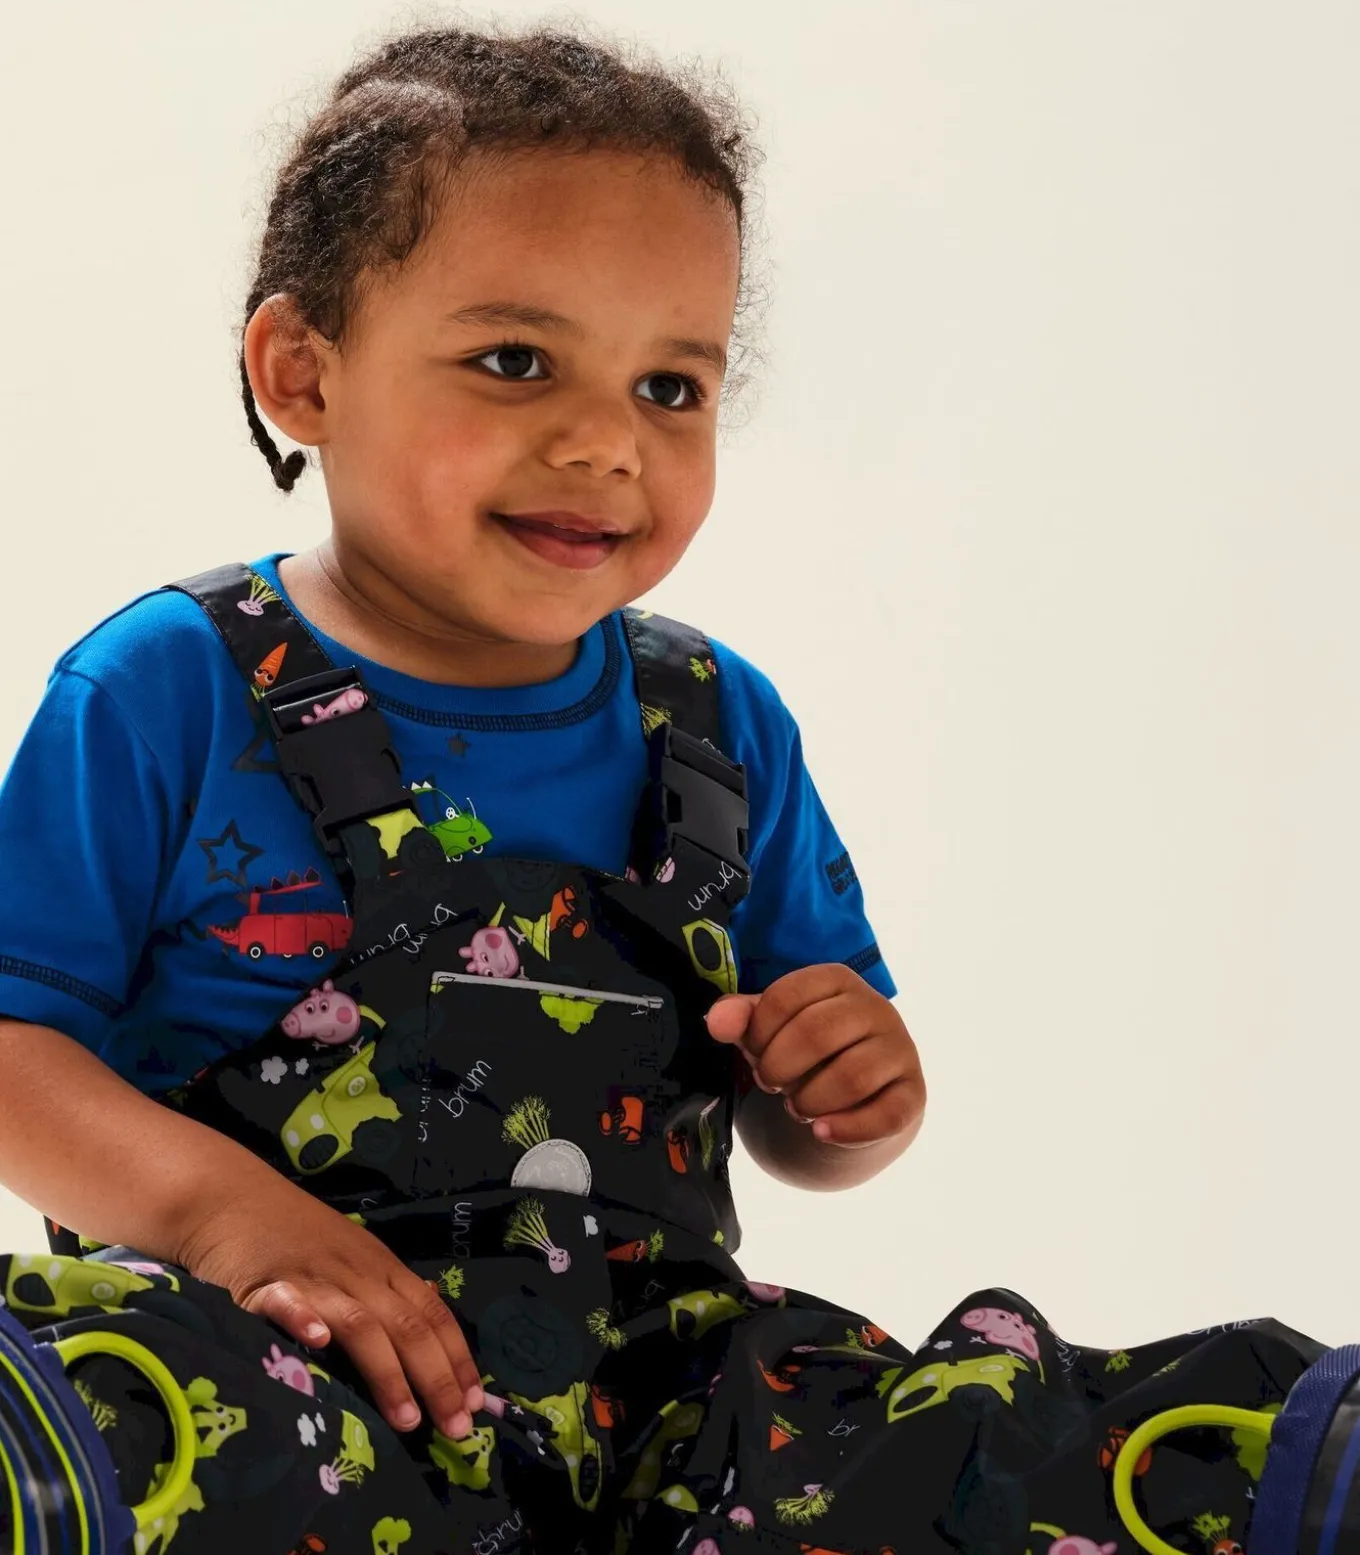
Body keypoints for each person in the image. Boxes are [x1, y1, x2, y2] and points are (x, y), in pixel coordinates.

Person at [0, 22, 1353, 1555]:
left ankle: (1304, 1478)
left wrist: (850, 1094)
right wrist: (226, 1217)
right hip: (309, 1397)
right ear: (303, 372)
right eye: (517, 362)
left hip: (674, 1421)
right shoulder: (171, 688)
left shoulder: (713, 722)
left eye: (670, 384)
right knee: (119, 1410)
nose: (604, 442)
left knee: (996, 1440)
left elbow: (804, 1127)